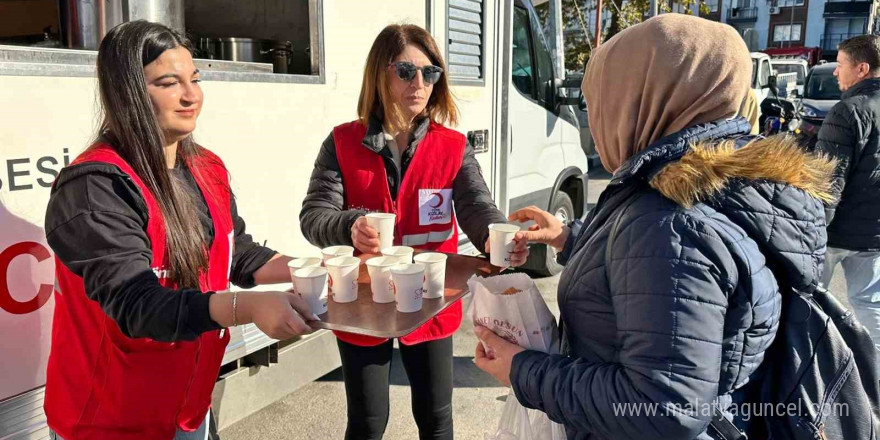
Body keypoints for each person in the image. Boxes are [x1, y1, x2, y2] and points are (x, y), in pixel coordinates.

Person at [473, 15, 834, 440]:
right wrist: (570, 238)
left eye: (601, 98)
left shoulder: (667, 219)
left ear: (641, 99)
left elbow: (664, 408)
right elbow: (651, 281)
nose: (595, 115)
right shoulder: (713, 182)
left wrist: (521, 370)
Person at [43, 21, 315, 440]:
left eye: (195, 79)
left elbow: (234, 251)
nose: (192, 96)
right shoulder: (95, 186)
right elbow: (137, 305)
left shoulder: (207, 168)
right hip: (109, 421)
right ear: (128, 91)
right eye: (170, 83)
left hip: (189, 408)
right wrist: (248, 308)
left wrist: (316, 269)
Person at [299, 24, 528, 440]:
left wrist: (502, 238)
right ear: (379, 75)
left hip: (429, 299)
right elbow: (314, 216)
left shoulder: (453, 147)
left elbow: (478, 207)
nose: (419, 83)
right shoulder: (341, 142)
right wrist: (349, 225)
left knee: (436, 417)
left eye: (430, 73)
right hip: (363, 300)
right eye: (406, 71)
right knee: (368, 422)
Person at [815, 35, 880, 353]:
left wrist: (810, 230)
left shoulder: (847, 112)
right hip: (874, 234)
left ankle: (805, 376)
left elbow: (828, 182)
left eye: (840, 65)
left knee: (808, 303)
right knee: (871, 307)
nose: (835, 72)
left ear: (862, 68)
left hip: (835, 233)